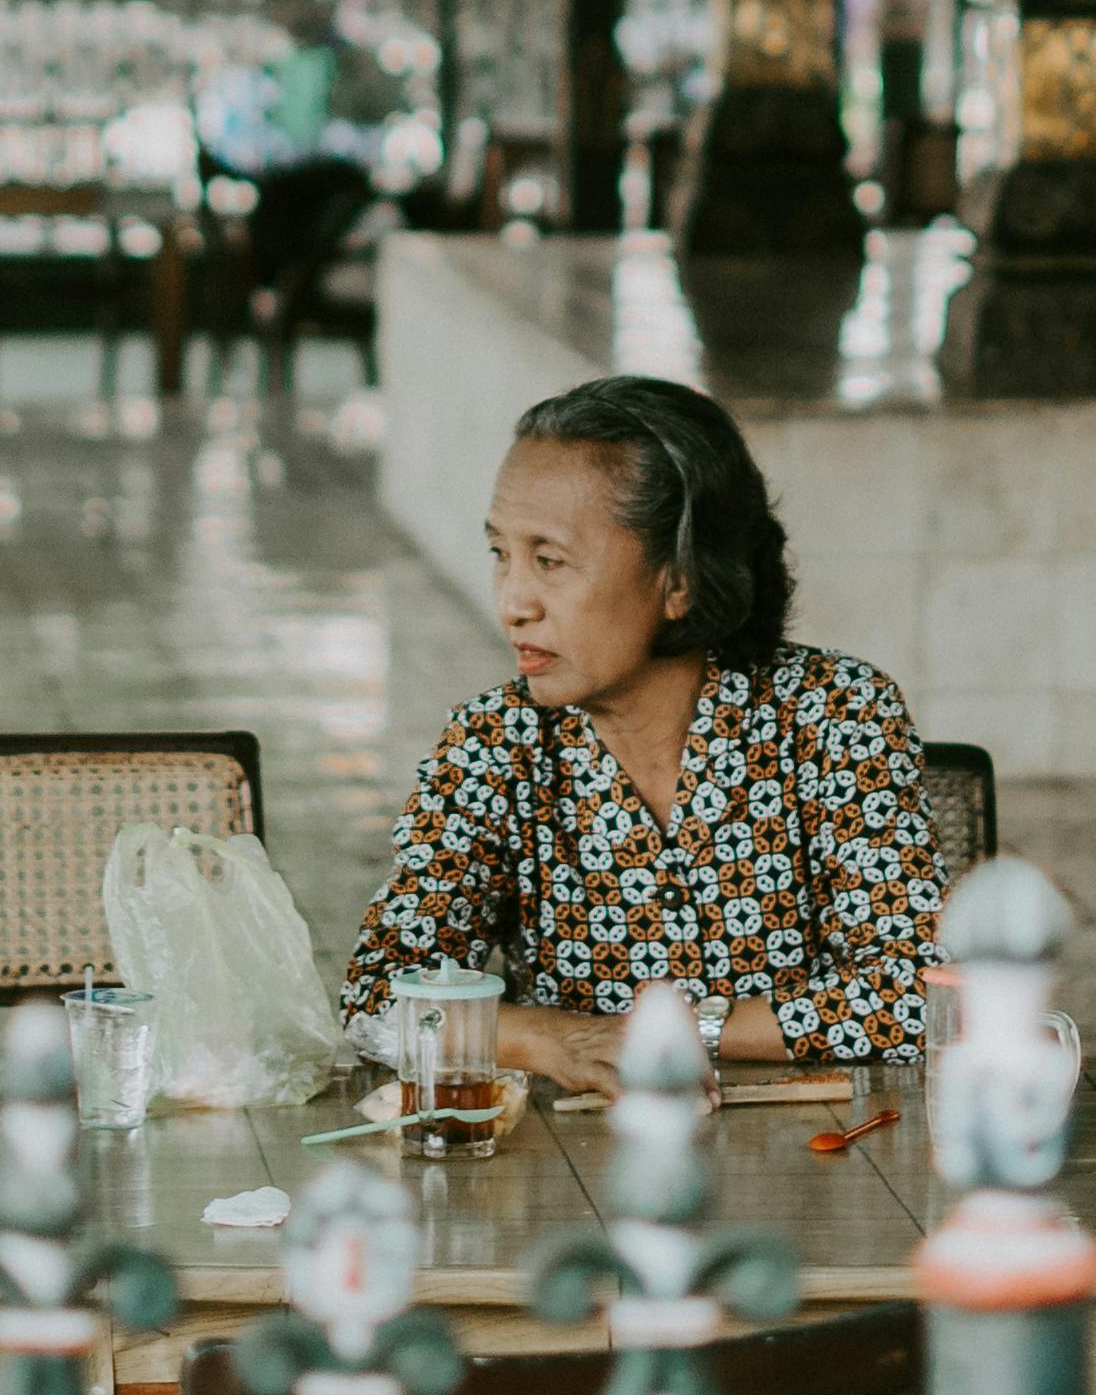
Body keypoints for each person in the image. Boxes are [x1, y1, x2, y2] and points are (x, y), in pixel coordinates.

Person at [343, 373, 941, 1087]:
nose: (512, 603)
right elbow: (376, 1002)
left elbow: (914, 996)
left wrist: (677, 1030)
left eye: (550, 561)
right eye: (501, 553)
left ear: (679, 578)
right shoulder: (495, 744)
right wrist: (544, 1040)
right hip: (578, 1170)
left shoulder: (833, 714)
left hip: (823, 1155)